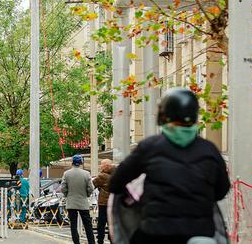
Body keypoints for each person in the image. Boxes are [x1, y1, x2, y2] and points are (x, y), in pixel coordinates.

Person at [109, 87, 230, 244]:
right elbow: (222, 191)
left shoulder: (149, 147)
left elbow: (116, 183)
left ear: (163, 116)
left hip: (156, 233)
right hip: (201, 234)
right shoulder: (209, 150)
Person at [62, 154, 96, 244]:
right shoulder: (86, 174)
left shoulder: (67, 174)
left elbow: (63, 188)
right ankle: (91, 242)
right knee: (87, 224)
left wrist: (67, 195)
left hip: (71, 202)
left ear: (72, 162)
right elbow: (91, 188)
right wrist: (87, 195)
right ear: (81, 163)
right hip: (83, 202)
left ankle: (76, 242)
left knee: (73, 225)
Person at [93, 159, 114, 244]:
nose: (100, 166)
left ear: (106, 166)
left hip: (103, 203)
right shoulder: (117, 173)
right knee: (111, 223)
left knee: (101, 223)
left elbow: (93, 184)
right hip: (113, 203)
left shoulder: (102, 176)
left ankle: (100, 240)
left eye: (102, 165)